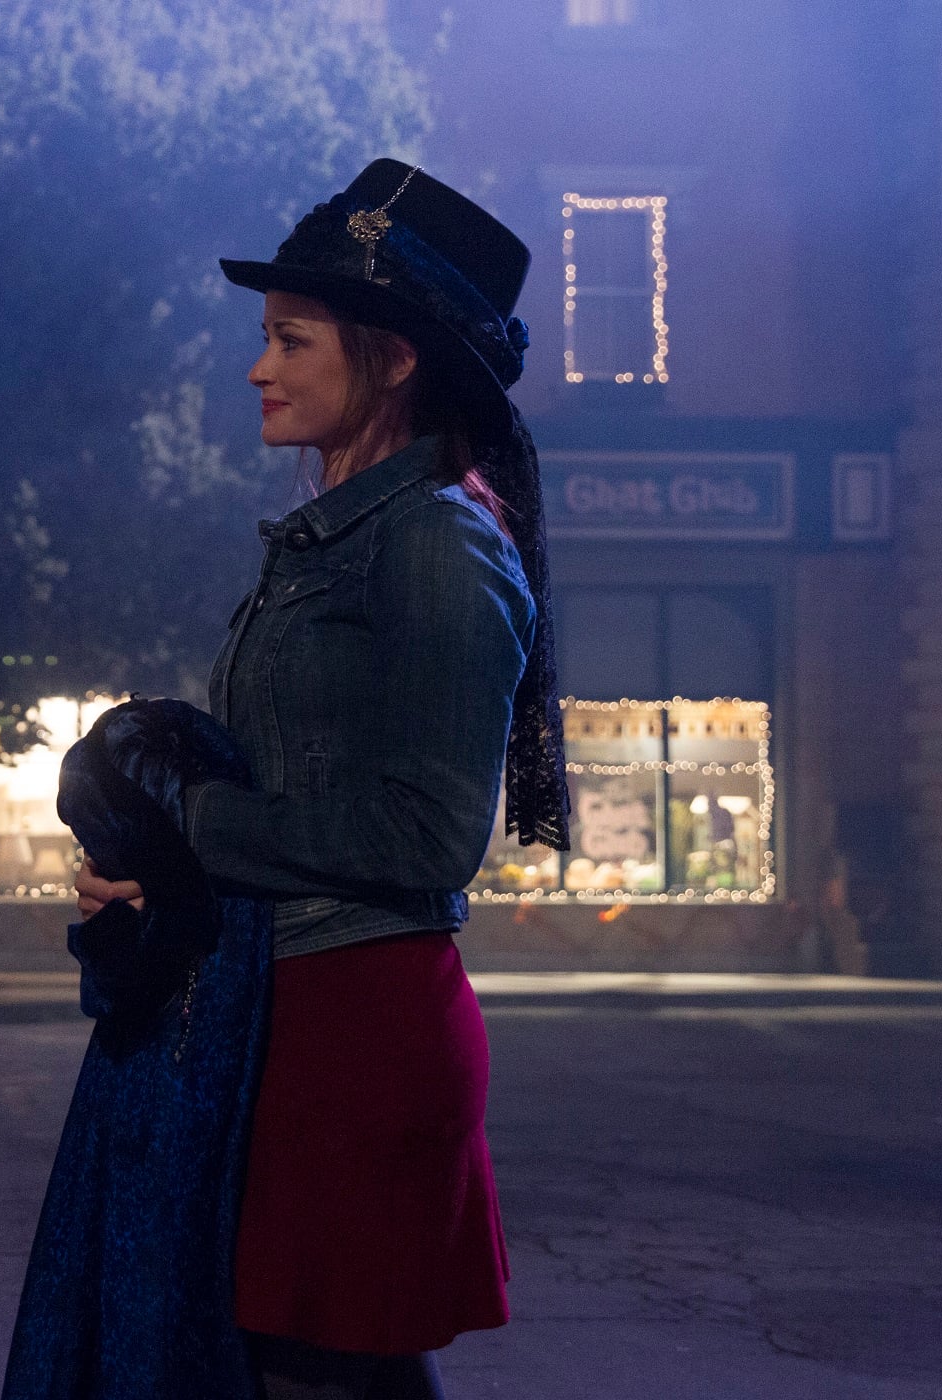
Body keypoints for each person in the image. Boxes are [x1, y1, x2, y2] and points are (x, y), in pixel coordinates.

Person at [76, 160, 570, 1400]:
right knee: (312, 1372)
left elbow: (423, 832)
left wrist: (186, 827)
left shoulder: (438, 543)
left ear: (393, 358)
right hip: (287, 1008)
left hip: (357, 1025)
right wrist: (156, 873)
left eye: (291, 340)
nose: (258, 367)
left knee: (316, 1371)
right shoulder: (340, 537)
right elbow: (299, 784)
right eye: (265, 337)